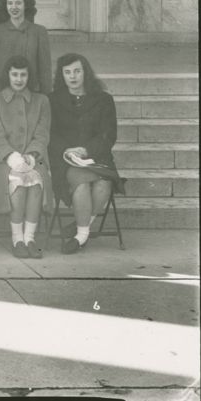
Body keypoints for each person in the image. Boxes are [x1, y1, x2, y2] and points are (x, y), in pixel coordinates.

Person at [48, 53, 125, 255]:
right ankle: (82, 234)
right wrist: (68, 150)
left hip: (97, 156)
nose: (72, 76)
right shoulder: (53, 100)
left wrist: (86, 150)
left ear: (85, 72)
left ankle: (81, 229)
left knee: (103, 184)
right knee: (81, 182)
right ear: (61, 75)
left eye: (77, 71)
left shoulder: (103, 99)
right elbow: (51, 134)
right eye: (67, 72)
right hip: (66, 159)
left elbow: (109, 135)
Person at [0, 55, 52, 259]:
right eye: (14, 74)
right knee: (17, 179)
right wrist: (12, 157)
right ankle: (17, 239)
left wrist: (32, 156)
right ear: (7, 75)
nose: (18, 79)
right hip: (2, 160)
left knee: (35, 180)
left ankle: (30, 238)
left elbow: (42, 133)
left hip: (34, 156)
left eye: (23, 74)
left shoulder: (41, 101)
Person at [0, 0, 52, 94]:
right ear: (5, 6)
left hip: (31, 92)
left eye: (18, 3)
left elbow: (45, 69)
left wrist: (46, 94)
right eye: (10, 3)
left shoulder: (39, 32)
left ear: (26, 5)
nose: (14, 7)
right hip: (3, 93)